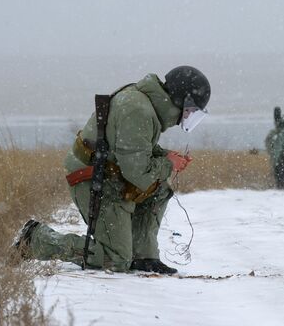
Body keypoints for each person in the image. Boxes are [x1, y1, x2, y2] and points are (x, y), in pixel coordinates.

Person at [13, 66, 211, 274]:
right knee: (114, 259)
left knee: (159, 188)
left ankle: (142, 256)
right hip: (93, 178)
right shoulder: (138, 110)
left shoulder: (146, 104)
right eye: (190, 110)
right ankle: (36, 240)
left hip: (110, 175)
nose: (188, 115)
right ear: (180, 100)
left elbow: (134, 150)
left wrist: (165, 156)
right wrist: (169, 163)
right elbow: (138, 172)